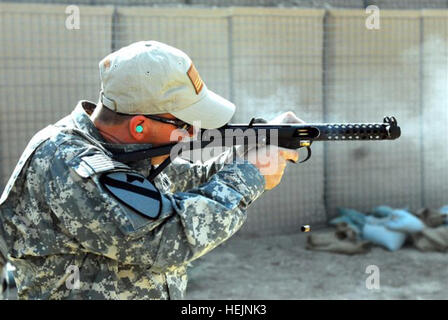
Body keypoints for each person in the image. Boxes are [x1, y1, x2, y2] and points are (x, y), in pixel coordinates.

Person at [0, 41, 301, 299]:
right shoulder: (68, 163)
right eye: (184, 124)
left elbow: (186, 182)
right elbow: (170, 237)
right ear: (139, 125)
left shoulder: (122, 149)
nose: (193, 134)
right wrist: (250, 175)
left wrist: (250, 149)